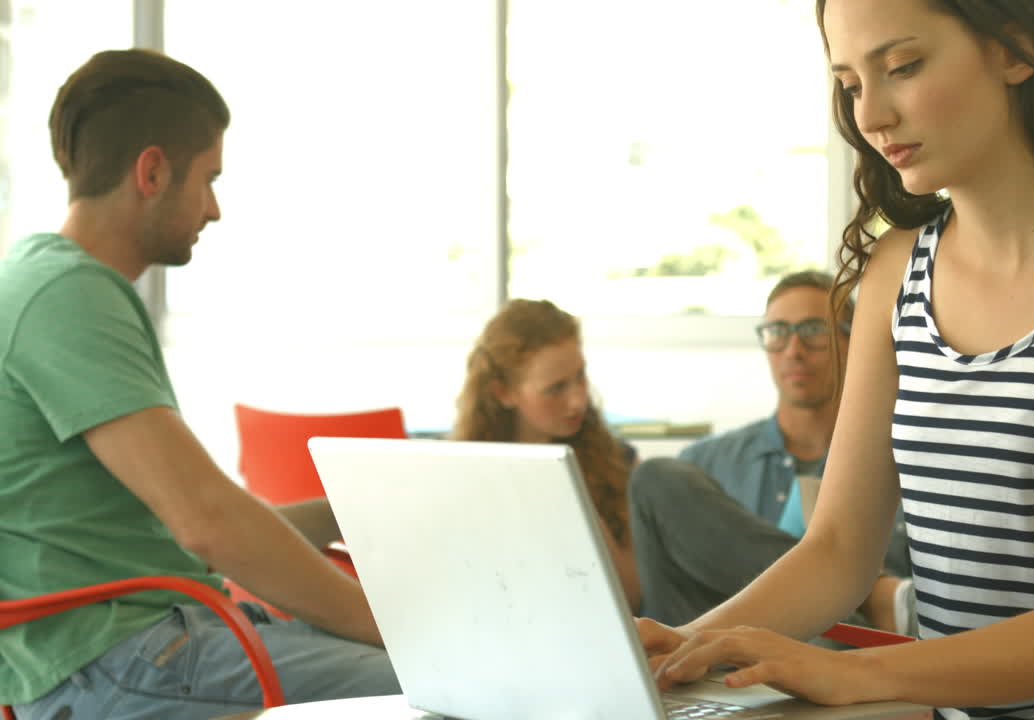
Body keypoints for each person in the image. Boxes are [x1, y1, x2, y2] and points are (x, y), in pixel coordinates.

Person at [637, 2, 1034, 718]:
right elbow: (840, 549)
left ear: (1016, 49)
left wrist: (855, 675)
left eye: (902, 67)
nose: (872, 116)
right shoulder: (895, 270)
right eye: (850, 84)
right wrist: (680, 646)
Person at [0, 50, 399, 720]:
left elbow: (185, 528)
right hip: (125, 662)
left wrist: (339, 510)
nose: (213, 208)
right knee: (475, 686)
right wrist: (394, 628)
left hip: (138, 647)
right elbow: (206, 522)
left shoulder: (42, 284)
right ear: (152, 171)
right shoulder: (67, 294)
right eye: (208, 178)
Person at [628, 270, 915, 634]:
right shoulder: (705, 463)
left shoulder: (902, 461)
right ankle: (868, 599)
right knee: (658, 478)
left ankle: (837, 611)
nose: (793, 351)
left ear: (853, 343)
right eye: (778, 333)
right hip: (711, 649)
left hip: (832, 658)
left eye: (814, 331)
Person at [451, 298, 642, 611]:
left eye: (580, 376)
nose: (578, 401)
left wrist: (572, 493)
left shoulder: (619, 461)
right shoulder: (463, 471)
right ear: (503, 393)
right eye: (556, 389)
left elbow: (633, 597)